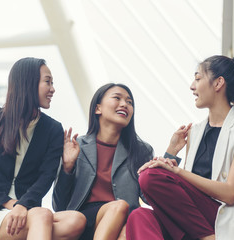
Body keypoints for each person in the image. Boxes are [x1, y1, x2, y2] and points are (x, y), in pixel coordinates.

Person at [126, 55, 234, 240]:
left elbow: (230, 194)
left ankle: (206, 236)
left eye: (198, 79)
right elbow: (174, 195)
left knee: (151, 176)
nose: (192, 86)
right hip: (194, 218)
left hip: (222, 216)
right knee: (139, 215)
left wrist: (177, 172)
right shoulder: (194, 132)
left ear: (218, 83)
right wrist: (171, 153)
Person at [0, 57, 85, 240]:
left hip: (28, 214)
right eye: (47, 82)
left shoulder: (53, 129)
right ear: (28, 83)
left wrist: (23, 205)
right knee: (41, 214)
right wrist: (12, 204)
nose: (52, 89)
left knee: (76, 220)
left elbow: (47, 177)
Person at [53, 83, 176, 240]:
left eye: (129, 102)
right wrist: (67, 168)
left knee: (128, 231)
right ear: (98, 108)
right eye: (117, 98)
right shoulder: (78, 146)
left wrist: (170, 155)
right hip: (82, 220)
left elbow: (150, 196)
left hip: (124, 220)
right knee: (119, 206)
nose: (125, 104)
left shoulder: (141, 151)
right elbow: (59, 206)